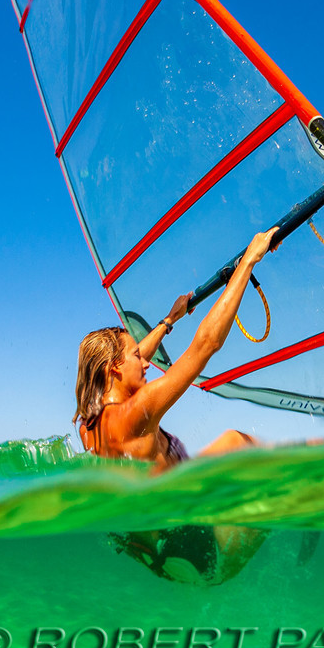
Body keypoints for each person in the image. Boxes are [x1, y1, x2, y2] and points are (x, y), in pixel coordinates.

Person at [73, 229, 276, 584]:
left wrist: (170, 320)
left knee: (221, 456)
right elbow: (206, 345)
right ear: (115, 369)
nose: (147, 362)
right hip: (197, 552)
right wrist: (249, 261)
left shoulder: (90, 424)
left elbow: (134, 360)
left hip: (164, 551)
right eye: (137, 356)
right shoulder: (138, 412)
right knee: (240, 445)